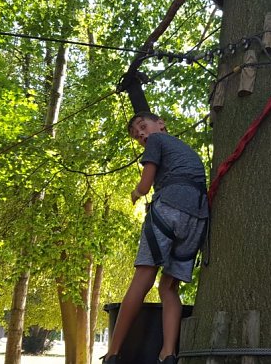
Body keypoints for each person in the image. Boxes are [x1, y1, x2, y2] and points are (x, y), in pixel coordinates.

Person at [102, 111, 208, 364]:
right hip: (197, 217)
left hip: (169, 207)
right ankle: (168, 353)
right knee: (168, 286)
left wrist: (137, 192)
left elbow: (147, 183)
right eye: (135, 133)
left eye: (142, 126)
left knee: (143, 277)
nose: (140, 133)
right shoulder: (186, 152)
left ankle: (113, 353)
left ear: (161, 124)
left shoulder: (157, 141)